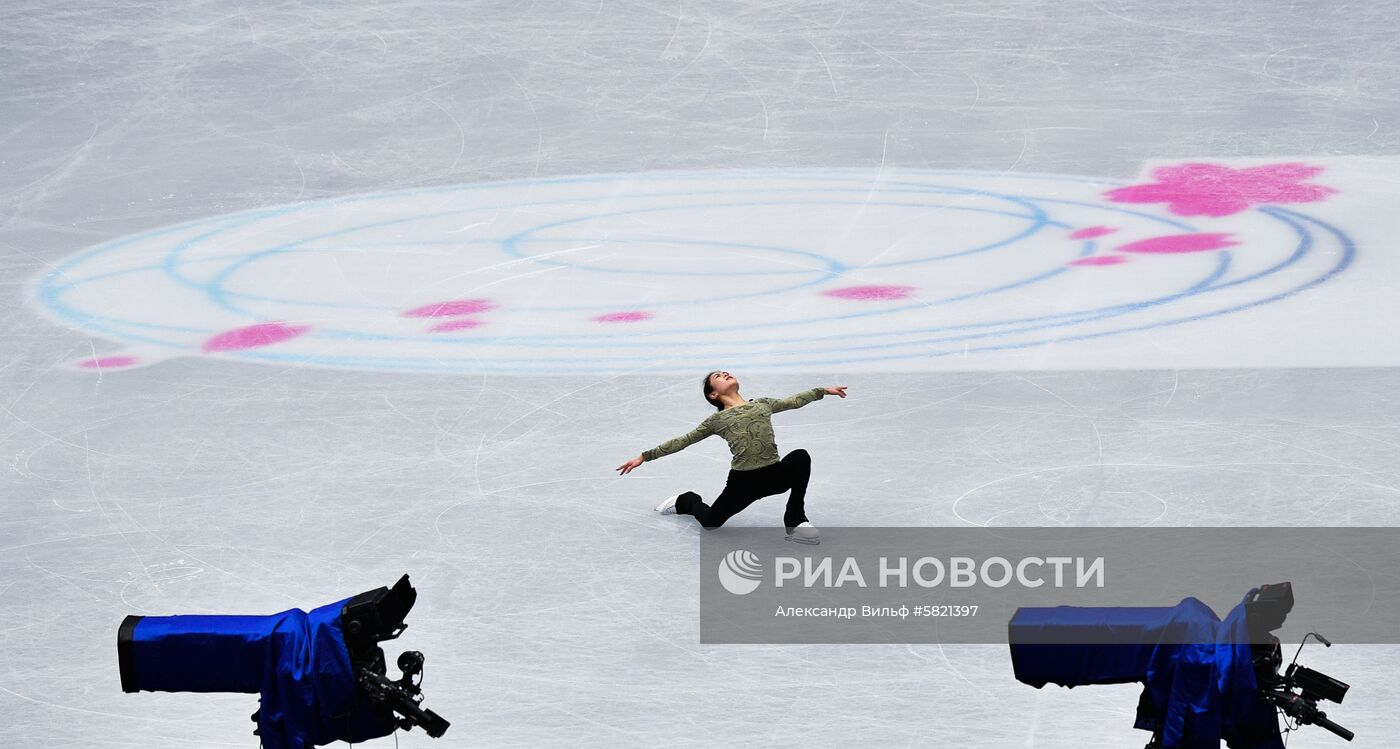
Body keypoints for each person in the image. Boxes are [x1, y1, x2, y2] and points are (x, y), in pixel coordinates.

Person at [616, 371, 847, 544]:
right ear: (713, 394)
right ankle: (684, 501)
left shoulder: (763, 404)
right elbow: (683, 440)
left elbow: (793, 401)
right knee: (710, 524)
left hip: (774, 475)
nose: (725, 374)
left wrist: (822, 391)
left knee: (800, 457)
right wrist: (645, 457)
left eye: (726, 372)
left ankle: (795, 520)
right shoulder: (716, 421)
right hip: (743, 484)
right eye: (718, 376)